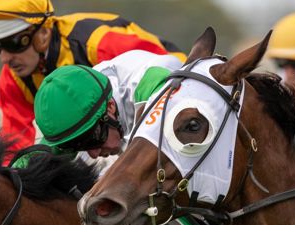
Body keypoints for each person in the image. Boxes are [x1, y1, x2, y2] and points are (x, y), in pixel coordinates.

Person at [0, 0, 187, 156]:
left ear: (43, 33)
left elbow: (168, 76)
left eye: (13, 43)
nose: (5, 58)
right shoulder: (13, 78)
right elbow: (16, 146)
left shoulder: (100, 44)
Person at [32, 49, 183, 158]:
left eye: (92, 140)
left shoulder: (150, 81)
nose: (93, 154)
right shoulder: (77, 112)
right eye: (80, 146)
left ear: (110, 106)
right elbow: (35, 161)